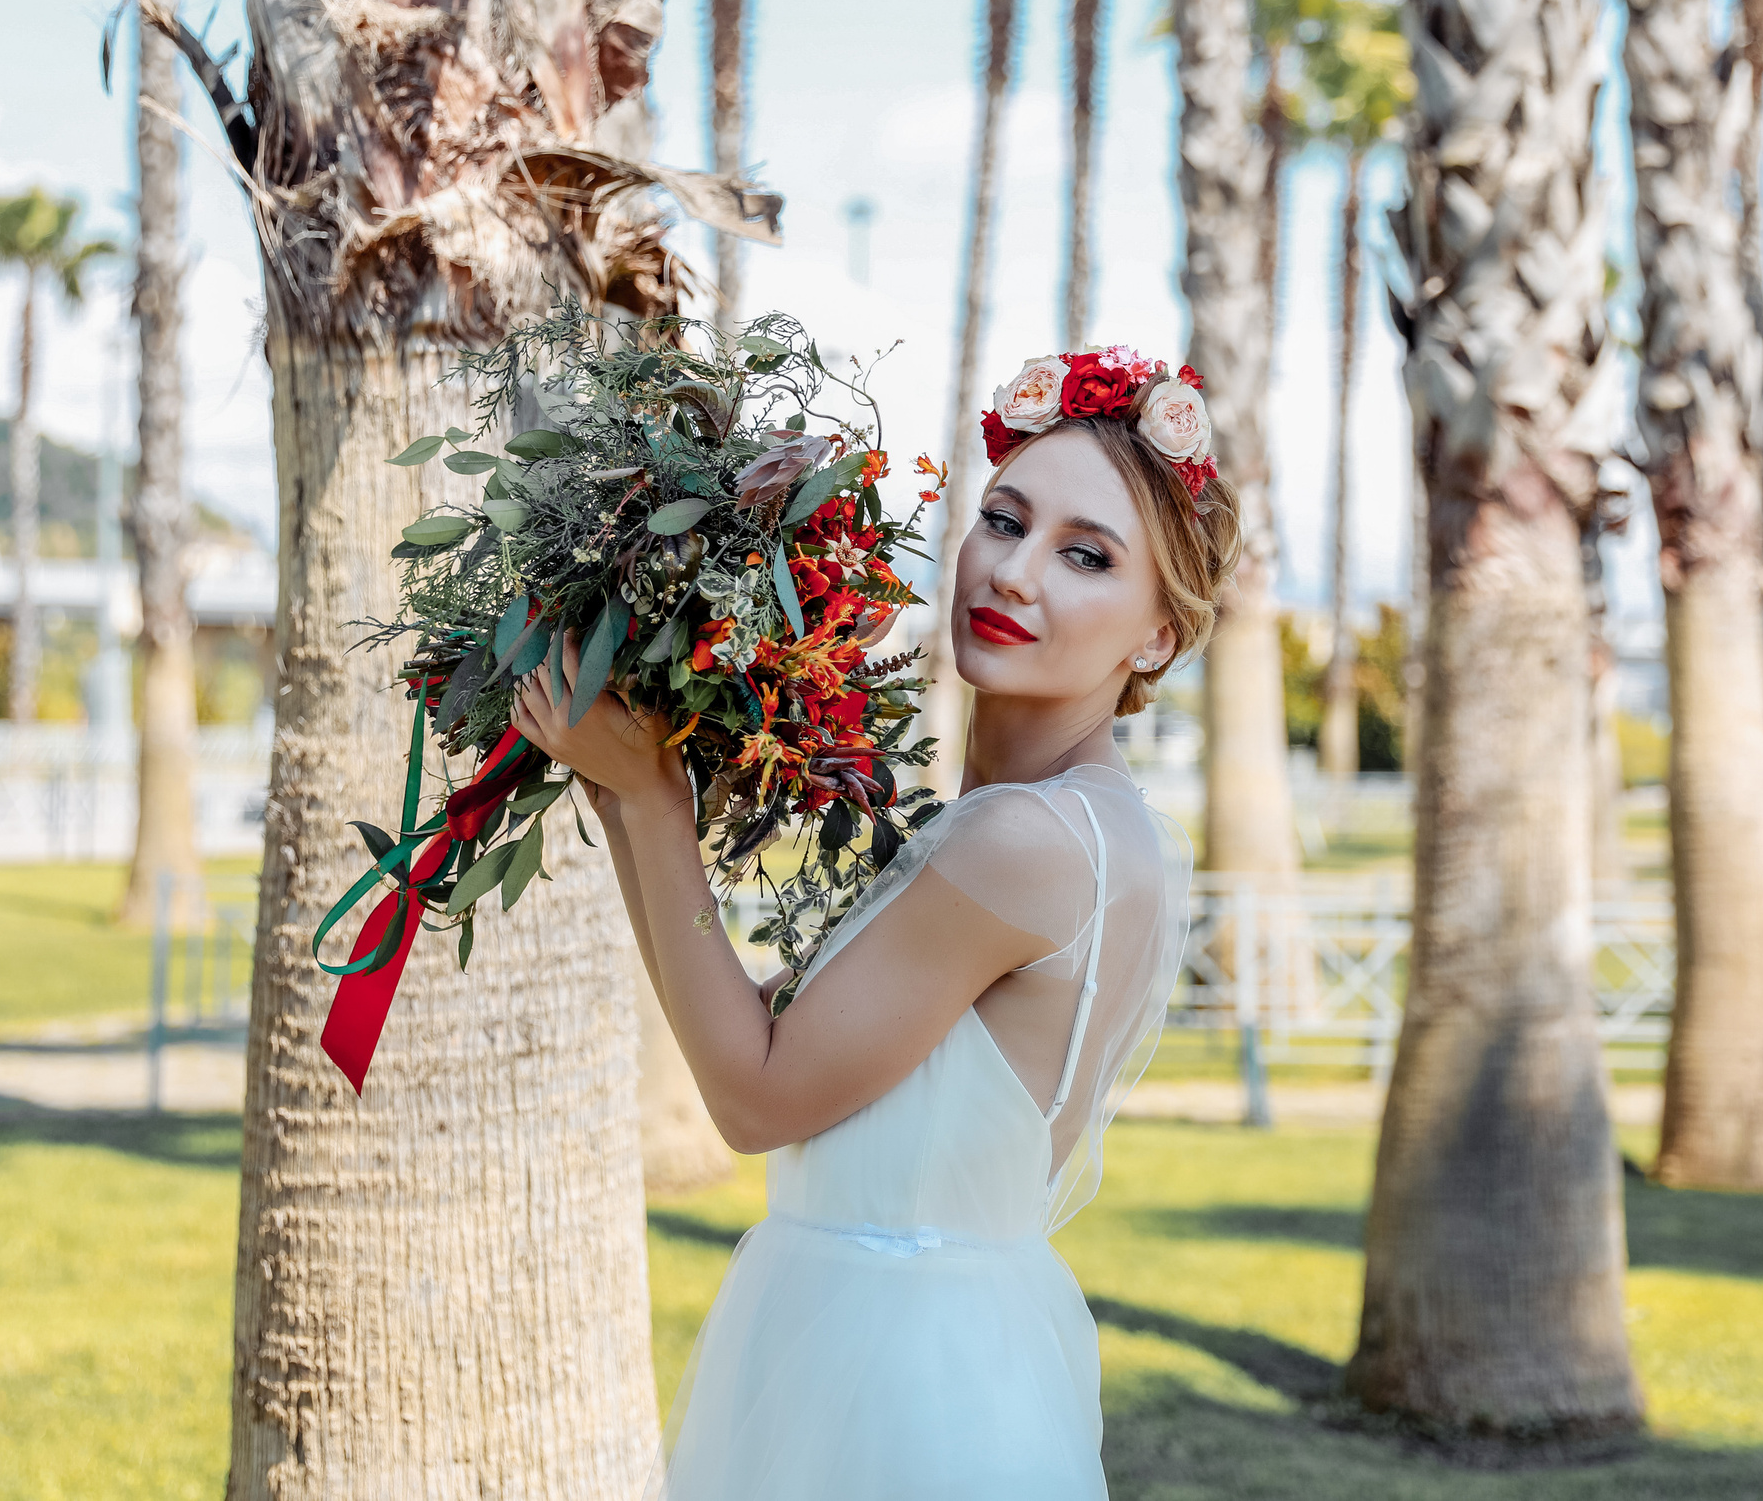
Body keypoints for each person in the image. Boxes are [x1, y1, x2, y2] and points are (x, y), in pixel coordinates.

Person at [514, 347, 1237, 1500]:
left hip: (903, 1386)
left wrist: (653, 801)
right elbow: (767, 1038)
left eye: (1085, 555)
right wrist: (619, 782)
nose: (1013, 573)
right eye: (1003, 521)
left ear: (1158, 634)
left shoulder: (1028, 844)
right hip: (932, 1344)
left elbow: (754, 1099)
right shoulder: (1078, 827)